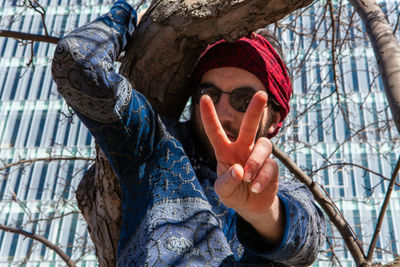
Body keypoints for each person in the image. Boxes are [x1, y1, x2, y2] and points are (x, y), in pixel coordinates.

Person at [52, 1, 326, 266]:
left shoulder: (286, 192)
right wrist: (131, 19)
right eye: (209, 94)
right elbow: (77, 60)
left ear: (274, 119)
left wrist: (263, 212)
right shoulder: (158, 145)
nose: (222, 112)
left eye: (244, 100)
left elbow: (308, 242)